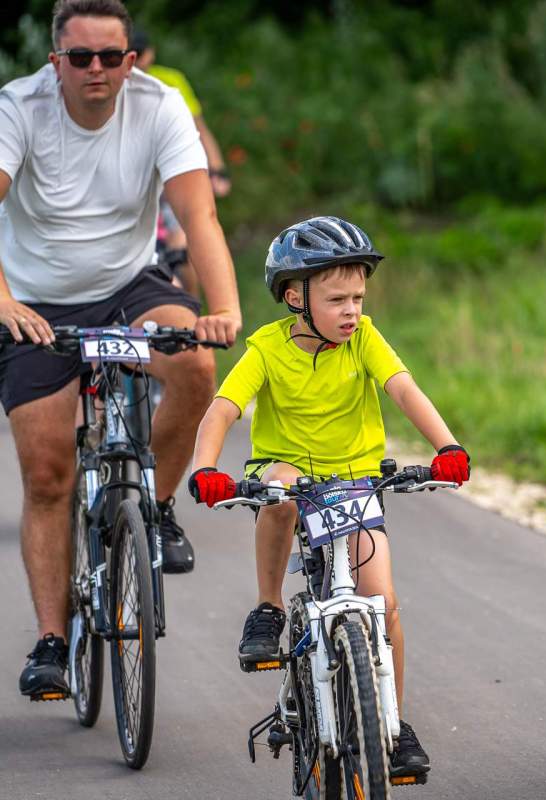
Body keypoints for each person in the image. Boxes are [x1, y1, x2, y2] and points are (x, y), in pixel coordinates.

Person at [0, 0, 241, 699]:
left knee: (196, 361)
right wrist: (6, 300)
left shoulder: (159, 105)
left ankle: (158, 508)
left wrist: (223, 309)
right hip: (36, 300)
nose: (97, 70)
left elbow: (199, 215)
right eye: (81, 58)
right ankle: (52, 639)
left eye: (112, 56)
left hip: (128, 283)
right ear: (57, 61)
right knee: (46, 474)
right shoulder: (18, 107)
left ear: (131, 58)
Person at [187, 216, 470, 778]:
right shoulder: (266, 348)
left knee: (383, 605)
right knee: (281, 491)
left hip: (356, 479)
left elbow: (404, 388)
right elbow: (222, 410)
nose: (352, 311)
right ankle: (268, 607)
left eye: (359, 298)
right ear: (295, 297)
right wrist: (206, 469)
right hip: (287, 471)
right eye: (337, 298)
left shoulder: (365, 340)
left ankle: (392, 722)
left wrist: (449, 446)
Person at [131, 28, 230, 297]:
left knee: (181, 247)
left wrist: (218, 168)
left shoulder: (170, 81)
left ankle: (191, 310)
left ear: (150, 53)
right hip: (137, 181)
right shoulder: (117, 85)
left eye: (142, 55)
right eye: (133, 56)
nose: (138, 62)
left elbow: (199, 128)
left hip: (172, 177)